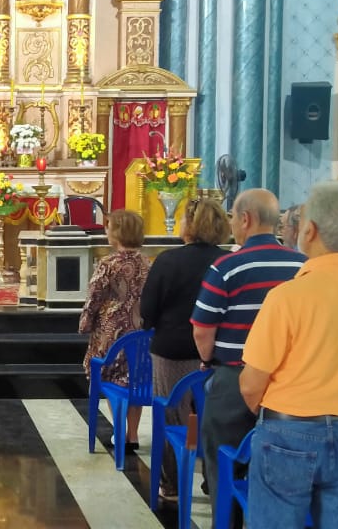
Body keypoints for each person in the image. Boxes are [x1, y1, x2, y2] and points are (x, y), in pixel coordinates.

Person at [240, 181, 338, 527]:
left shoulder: (287, 297)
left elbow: (252, 383)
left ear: (308, 231)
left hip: (287, 433)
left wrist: (273, 418)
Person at [191, 188, 305, 523]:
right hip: (292, 382)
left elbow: (202, 329)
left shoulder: (227, 266)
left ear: (245, 219)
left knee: (224, 458)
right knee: (284, 464)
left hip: (236, 377)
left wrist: (208, 361)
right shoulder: (303, 266)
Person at [140, 198, 231, 500]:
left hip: (173, 350)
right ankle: (212, 479)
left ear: (190, 225)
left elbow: (148, 310)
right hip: (219, 353)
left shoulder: (168, 261)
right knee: (212, 415)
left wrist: (153, 323)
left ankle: (172, 484)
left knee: (172, 414)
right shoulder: (228, 261)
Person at [80, 210, 150, 451]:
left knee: (110, 376)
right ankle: (133, 434)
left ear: (118, 232)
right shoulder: (147, 262)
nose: (106, 231)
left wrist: (85, 322)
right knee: (135, 377)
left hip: (111, 333)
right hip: (139, 329)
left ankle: (118, 430)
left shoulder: (108, 264)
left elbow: (94, 296)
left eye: (109, 227)